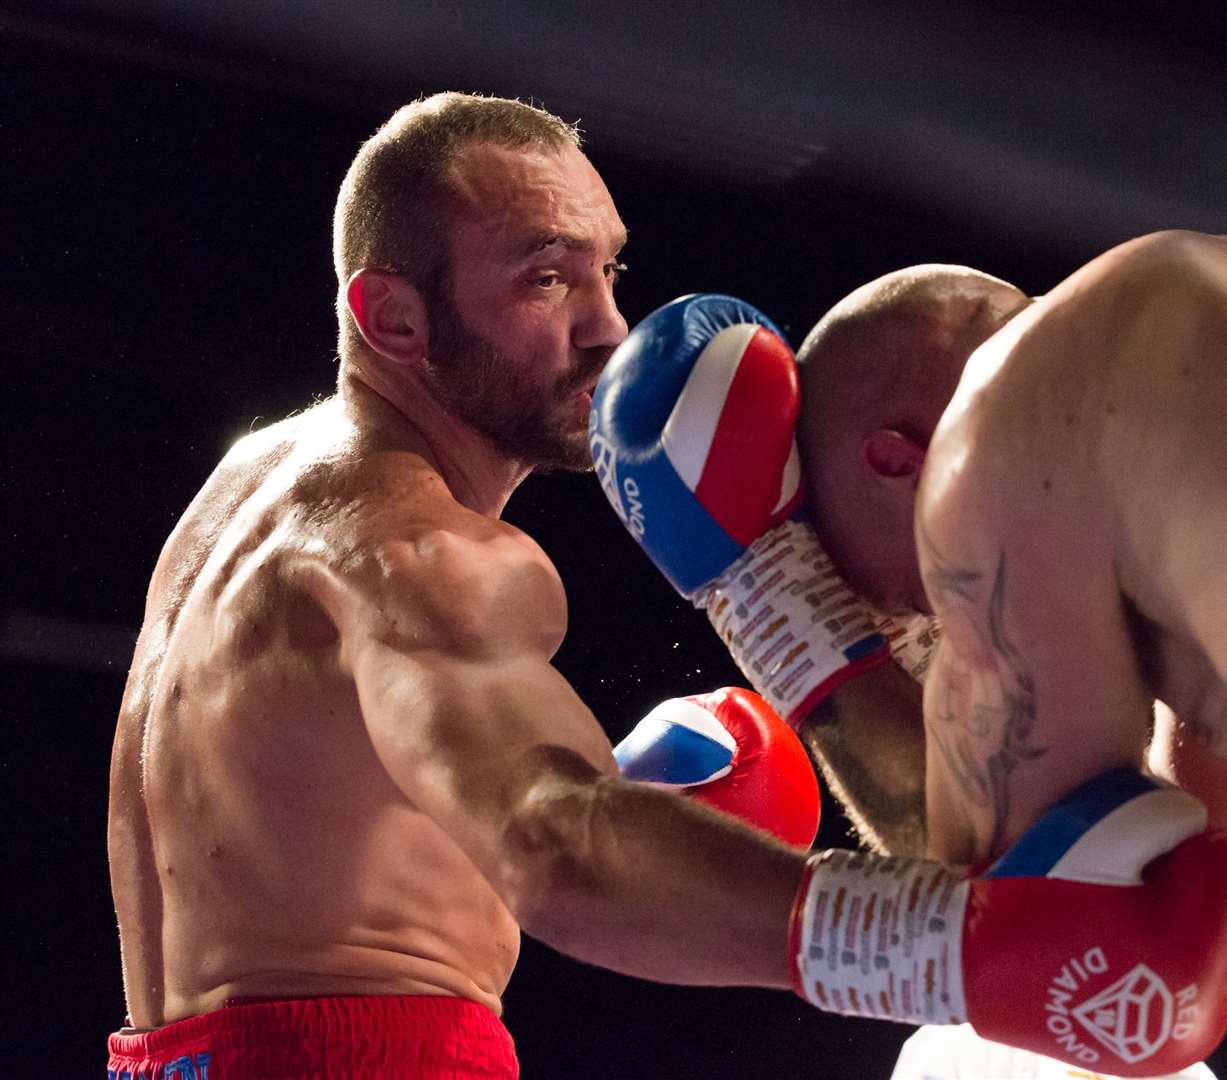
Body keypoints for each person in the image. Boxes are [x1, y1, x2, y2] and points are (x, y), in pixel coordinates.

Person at [104, 92, 827, 1079]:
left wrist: (621, 789)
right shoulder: (425, 550)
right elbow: (558, 855)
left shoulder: (244, 487)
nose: (609, 329)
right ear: (392, 317)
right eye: (545, 278)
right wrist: (924, 937)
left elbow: (318, 839)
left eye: (606, 269)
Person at [776, 238, 1227, 1077]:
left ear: (897, 462)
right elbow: (1189, 859)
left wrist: (776, 602)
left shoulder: (995, 433)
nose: (934, 625)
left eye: (901, 601)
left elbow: (1029, 919)